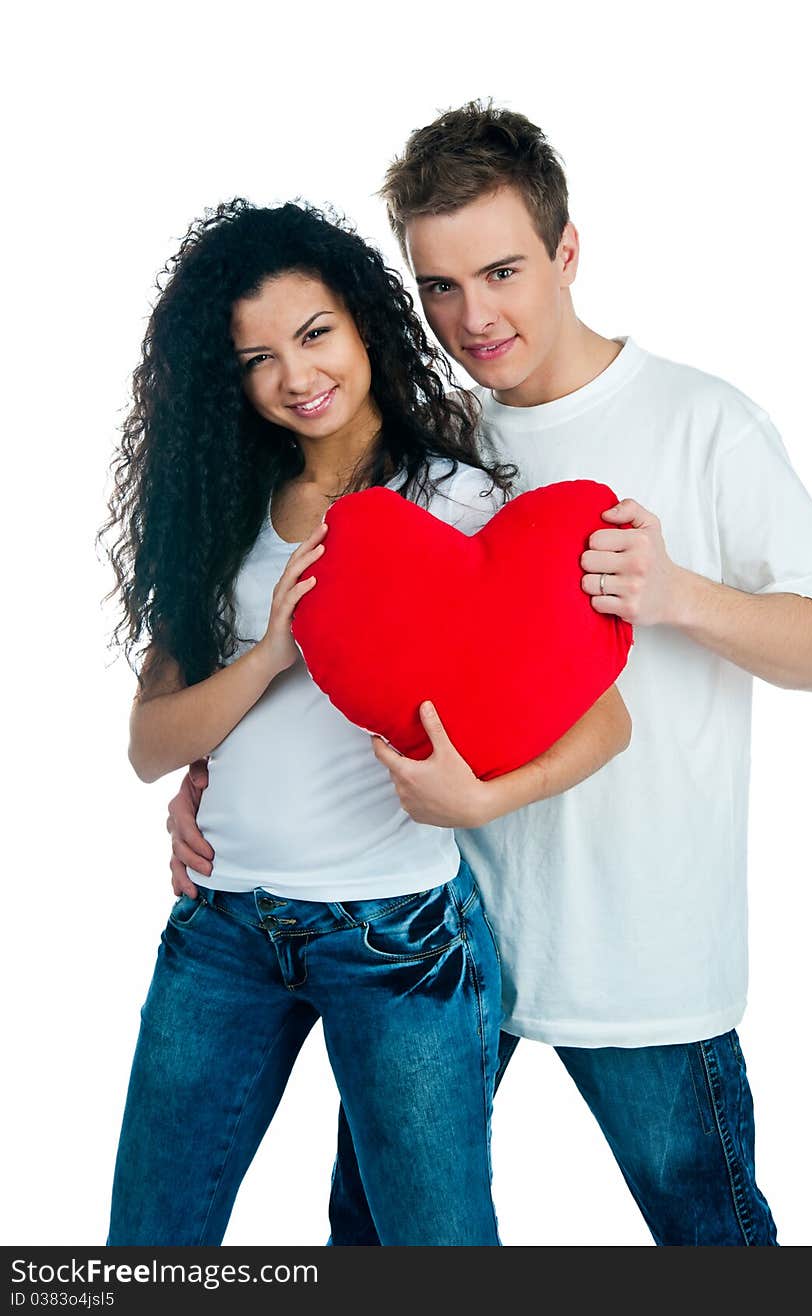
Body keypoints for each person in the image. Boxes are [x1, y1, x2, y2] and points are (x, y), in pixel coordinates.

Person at [167, 105, 812, 1246]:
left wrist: (678, 593)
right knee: (368, 1233)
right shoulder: (432, 445)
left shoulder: (702, 421)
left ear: (567, 251)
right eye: (438, 286)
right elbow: (345, 657)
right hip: (442, 945)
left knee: (712, 1231)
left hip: (643, 949)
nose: (473, 316)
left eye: (500, 270)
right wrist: (214, 786)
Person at [100, 196, 631, 1247]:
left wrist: (484, 796)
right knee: (147, 1243)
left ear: (364, 326)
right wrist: (271, 654)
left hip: (396, 939)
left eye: (313, 335)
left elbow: (603, 718)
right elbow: (150, 743)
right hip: (222, 928)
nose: (295, 378)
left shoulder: (456, 501)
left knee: (433, 1247)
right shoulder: (222, 512)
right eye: (257, 359)